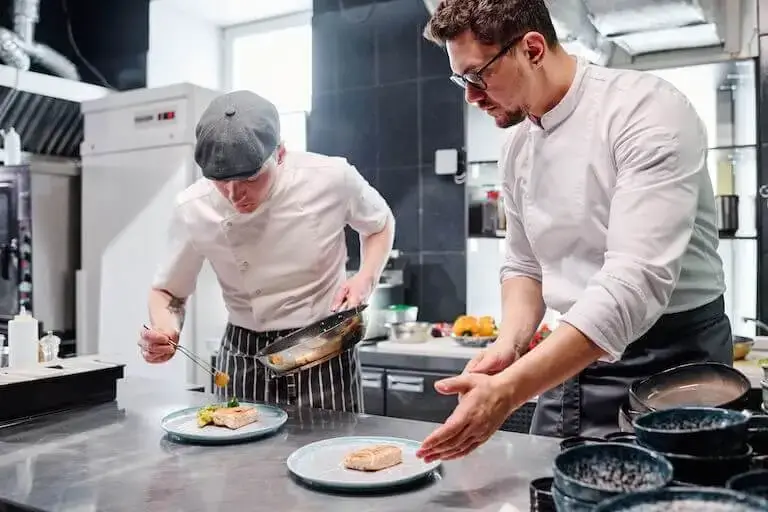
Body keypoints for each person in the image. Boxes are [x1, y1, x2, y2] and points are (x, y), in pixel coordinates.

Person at [416, 0, 730, 462]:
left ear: (533, 49)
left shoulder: (647, 112)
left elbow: (633, 284)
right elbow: (524, 263)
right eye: (460, 79)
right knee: (545, 485)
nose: (470, 95)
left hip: (674, 361)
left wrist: (509, 390)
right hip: (570, 356)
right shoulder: (519, 144)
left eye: (478, 75)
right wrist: (510, 344)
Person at [138, 90, 395, 413]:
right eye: (220, 182)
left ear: (281, 154)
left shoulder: (331, 178)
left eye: (250, 178)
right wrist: (165, 329)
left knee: (335, 457)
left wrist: (366, 278)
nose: (235, 195)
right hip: (243, 356)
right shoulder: (193, 207)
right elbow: (167, 291)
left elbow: (379, 224)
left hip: (323, 350)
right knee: (239, 461)